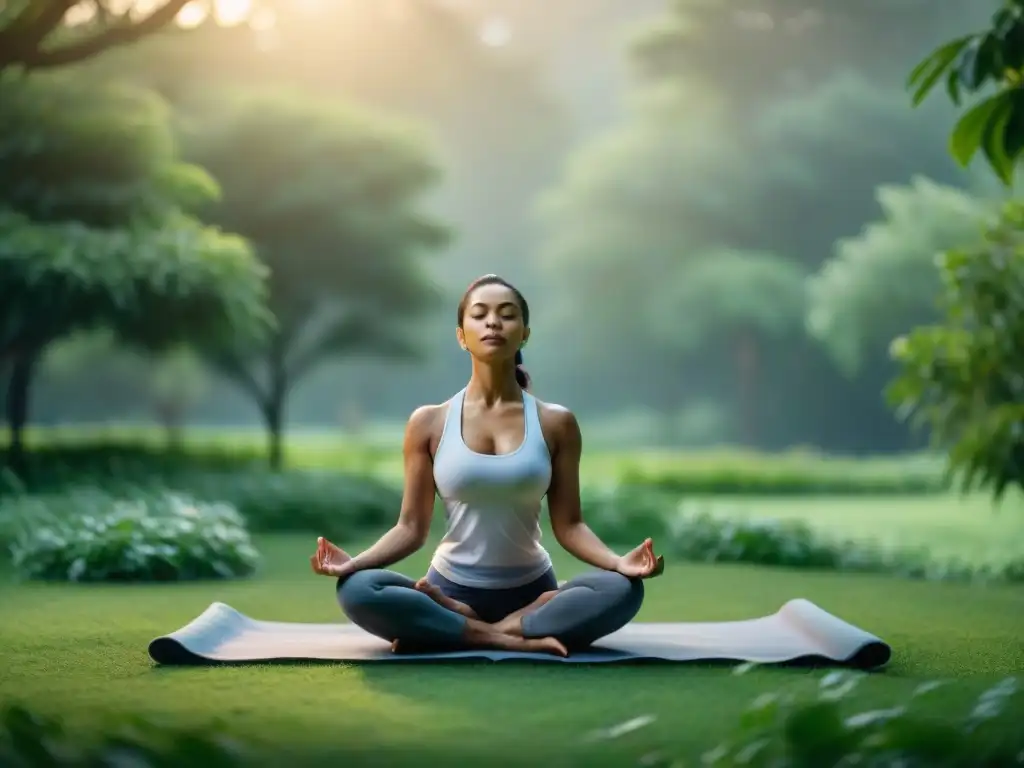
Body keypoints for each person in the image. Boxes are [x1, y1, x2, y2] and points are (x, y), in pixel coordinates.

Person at [310, 274, 662, 657]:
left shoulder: (555, 423)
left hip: (532, 593)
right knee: (358, 589)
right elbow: (410, 528)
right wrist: (353, 564)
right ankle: (502, 635)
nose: (493, 322)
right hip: (449, 589)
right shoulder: (429, 422)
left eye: (506, 315)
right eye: (480, 314)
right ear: (462, 336)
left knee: (622, 589)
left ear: (524, 334)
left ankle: (453, 628)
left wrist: (617, 562)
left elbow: (570, 525)